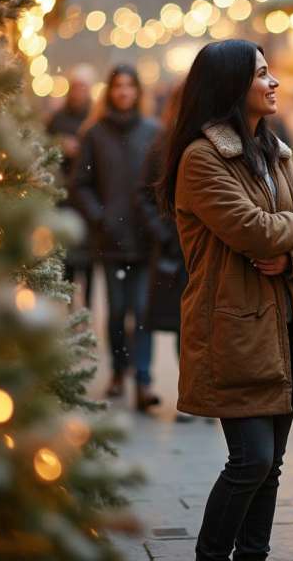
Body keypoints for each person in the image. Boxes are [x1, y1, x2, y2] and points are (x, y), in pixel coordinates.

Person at [158, 39, 293, 561]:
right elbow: (252, 231)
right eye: (261, 74)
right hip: (233, 332)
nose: (274, 81)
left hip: (284, 328)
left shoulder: (274, 152)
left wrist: (292, 257)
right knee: (251, 461)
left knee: (272, 464)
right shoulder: (201, 158)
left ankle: (252, 555)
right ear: (233, 86)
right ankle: (212, 554)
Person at [71, 63, 161, 411]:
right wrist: (99, 217)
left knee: (142, 310)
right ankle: (118, 372)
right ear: (109, 91)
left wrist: (159, 223)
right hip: (110, 239)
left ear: (138, 91)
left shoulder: (153, 132)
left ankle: (143, 379)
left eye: (130, 86)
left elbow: (162, 182)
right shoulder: (95, 133)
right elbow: (80, 183)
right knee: (116, 310)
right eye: (118, 86)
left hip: (145, 238)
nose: (124, 92)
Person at [136, 84, 193, 422]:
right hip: (173, 251)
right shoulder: (164, 142)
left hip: (201, 250)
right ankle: (181, 393)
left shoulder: (211, 141)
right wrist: (163, 232)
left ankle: (193, 394)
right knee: (176, 322)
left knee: (195, 326)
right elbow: (144, 193)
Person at [46, 63, 95, 306]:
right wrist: (60, 145)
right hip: (64, 195)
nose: (79, 92)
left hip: (88, 195)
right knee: (66, 256)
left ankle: (85, 306)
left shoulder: (95, 117)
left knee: (88, 261)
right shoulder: (57, 118)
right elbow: (45, 148)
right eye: (76, 87)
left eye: (83, 87)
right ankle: (67, 306)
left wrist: (83, 150)